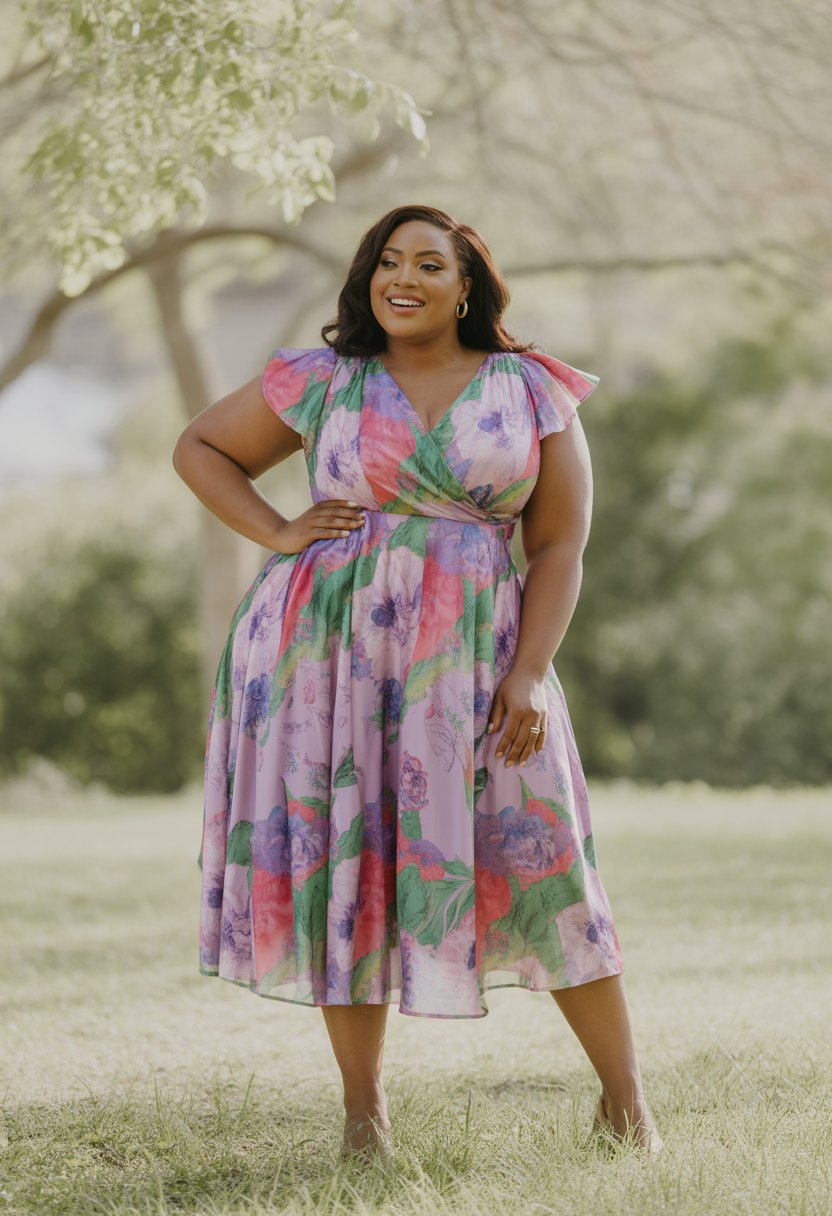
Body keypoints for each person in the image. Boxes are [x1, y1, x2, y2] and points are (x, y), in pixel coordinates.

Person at [172, 203, 663, 1161]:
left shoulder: (530, 388)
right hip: (325, 656)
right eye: (387, 262)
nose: (404, 278)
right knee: (343, 869)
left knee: (544, 856)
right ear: (367, 279)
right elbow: (201, 447)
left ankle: (626, 1102)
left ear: (466, 283)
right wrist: (276, 531)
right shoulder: (322, 379)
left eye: (428, 264)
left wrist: (530, 672)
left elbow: (559, 543)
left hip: (482, 659)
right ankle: (365, 1118)